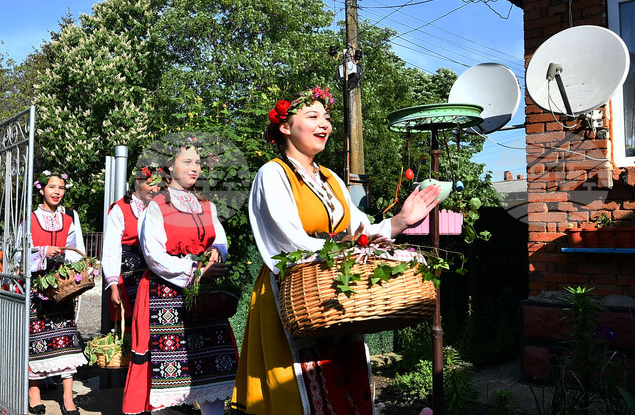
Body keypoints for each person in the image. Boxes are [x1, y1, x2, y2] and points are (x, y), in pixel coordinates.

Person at [231, 87, 440, 415]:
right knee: (296, 393)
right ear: (285, 126)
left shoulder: (330, 179)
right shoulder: (272, 173)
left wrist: (400, 220)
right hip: (294, 293)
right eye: (312, 116)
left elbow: (361, 231)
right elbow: (288, 240)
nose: (324, 124)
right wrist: (345, 247)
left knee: (346, 382)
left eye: (326, 117)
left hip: (337, 296)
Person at [123, 144, 239, 415]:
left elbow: (220, 238)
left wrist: (216, 250)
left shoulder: (206, 204)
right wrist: (195, 272)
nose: (195, 168)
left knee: (212, 372)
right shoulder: (157, 205)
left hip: (205, 296)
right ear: (170, 166)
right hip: (167, 295)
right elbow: (153, 256)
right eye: (187, 162)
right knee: (167, 379)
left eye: (197, 162)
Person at [23, 171, 87, 415]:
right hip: (38, 287)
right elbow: (19, 253)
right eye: (52, 187)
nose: (57, 192)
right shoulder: (29, 219)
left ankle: (68, 398)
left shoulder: (69, 218)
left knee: (67, 339)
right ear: (41, 189)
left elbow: (76, 249)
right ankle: (35, 393)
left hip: (63, 287)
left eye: (61, 187)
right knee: (36, 341)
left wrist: (69, 265)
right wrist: (42, 252)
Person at [102, 166, 163, 326]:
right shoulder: (120, 208)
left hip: (153, 268)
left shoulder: (158, 207)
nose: (155, 190)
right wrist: (114, 285)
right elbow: (111, 248)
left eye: (158, 185)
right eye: (150, 184)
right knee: (134, 318)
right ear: (137, 181)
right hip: (129, 270)